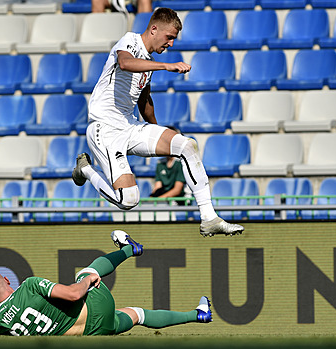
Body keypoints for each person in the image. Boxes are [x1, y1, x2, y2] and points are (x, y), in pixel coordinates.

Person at [72, 7, 245, 237]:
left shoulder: (148, 63)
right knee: (129, 199)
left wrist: (160, 133)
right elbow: (125, 63)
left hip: (129, 126)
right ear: (154, 29)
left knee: (186, 145)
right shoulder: (129, 41)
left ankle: (209, 218)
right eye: (169, 37)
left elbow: (145, 101)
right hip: (104, 129)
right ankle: (85, 170)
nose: (171, 44)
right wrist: (166, 66)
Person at [0, 230, 213, 336]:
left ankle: (198, 316)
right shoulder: (28, 285)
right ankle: (130, 249)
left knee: (137, 315)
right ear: (7, 280)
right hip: (92, 309)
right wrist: (88, 281)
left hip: (90, 335)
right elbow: (71, 294)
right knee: (84, 272)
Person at [150, 126, 187, 205]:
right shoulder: (160, 163)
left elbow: (177, 190)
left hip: (180, 200)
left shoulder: (181, 163)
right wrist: (151, 198)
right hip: (165, 197)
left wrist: (158, 200)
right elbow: (158, 187)